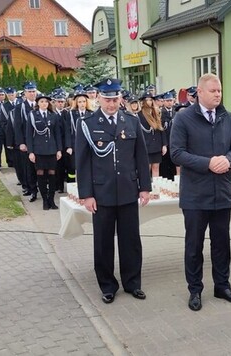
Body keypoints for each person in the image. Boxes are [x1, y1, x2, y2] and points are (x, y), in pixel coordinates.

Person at [170, 73, 231, 312]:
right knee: (194, 245)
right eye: (213, 91)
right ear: (199, 93)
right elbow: (176, 153)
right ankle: (195, 290)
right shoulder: (183, 118)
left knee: (221, 243)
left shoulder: (226, 117)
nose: (217, 95)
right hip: (195, 195)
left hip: (221, 192)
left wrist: (229, 159)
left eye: (220, 91)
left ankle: (222, 286)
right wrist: (208, 163)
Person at [75, 78, 151, 304]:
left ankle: (132, 283)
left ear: (121, 99)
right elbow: (83, 161)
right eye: (107, 99)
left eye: (115, 99)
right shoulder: (87, 123)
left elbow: (141, 156)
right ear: (98, 98)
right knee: (103, 242)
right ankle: (107, 286)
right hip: (102, 193)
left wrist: (145, 188)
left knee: (131, 240)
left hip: (128, 190)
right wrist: (86, 194)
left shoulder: (131, 120)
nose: (112, 103)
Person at [13, 82, 39, 202]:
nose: (32, 94)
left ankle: (41, 187)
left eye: (34, 91)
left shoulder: (41, 105)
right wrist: (21, 143)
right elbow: (17, 127)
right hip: (27, 141)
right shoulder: (20, 107)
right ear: (25, 93)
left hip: (40, 142)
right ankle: (31, 189)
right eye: (30, 92)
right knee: (29, 167)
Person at [63, 90, 90, 183]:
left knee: (86, 168)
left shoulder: (91, 113)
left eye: (84, 101)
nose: (82, 104)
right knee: (72, 169)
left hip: (87, 146)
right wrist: (69, 146)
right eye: (80, 102)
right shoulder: (71, 113)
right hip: (74, 146)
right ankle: (72, 189)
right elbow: (68, 130)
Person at [138, 93, 168, 177]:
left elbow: (161, 130)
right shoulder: (139, 115)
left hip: (157, 145)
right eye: (147, 100)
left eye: (151, 100)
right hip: (146, 145)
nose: (149, 102)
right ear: (143, 101)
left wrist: (164, 145)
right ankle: (147, 187)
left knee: (156, 168)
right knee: (147, 168)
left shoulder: (156, 112)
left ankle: (156, 187)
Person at [159, 91, 177, 179]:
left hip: (174, 142)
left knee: (175, 163)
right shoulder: (160, 113)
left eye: (171, 100)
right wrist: (164, 144)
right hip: (166, 141)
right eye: (167, 101)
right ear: (164, 102)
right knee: (165, 164)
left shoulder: (176, 112)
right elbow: (161, 130)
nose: (169, 102)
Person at [3, 87, 21, 172]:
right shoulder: (4, 106)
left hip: (20, 133)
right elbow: (3, 121)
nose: (11, 96)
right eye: (9, 95)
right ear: (7, 95)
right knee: (14, 155)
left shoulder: (21, 103)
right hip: (11, 133)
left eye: (12, 94)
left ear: (15, 94)